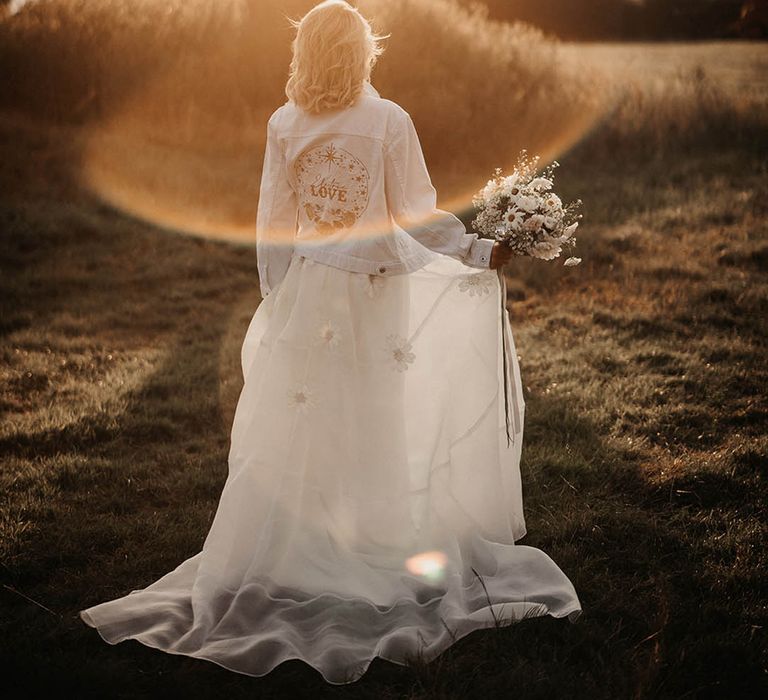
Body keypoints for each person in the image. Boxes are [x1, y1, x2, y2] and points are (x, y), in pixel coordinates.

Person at [79, 0, 582, 684]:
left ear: (306, 55)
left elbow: (275, 219)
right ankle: (371, 546)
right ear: (361, 52)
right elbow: (414, 214)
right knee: (372, 409)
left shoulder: (285, 122)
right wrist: (471, 247)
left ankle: (311, 545)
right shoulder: (386, 121)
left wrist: (276, 296)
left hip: (310, 287)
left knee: (308, 418)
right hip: (374, 291)